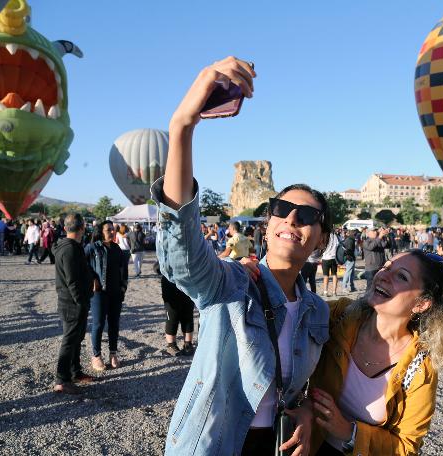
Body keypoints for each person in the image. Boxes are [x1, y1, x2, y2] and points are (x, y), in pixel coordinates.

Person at [155, 56, 333, 455]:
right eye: (279, 209)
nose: (290, 218)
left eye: (306, 215)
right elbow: (180, 252)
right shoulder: (232, 284)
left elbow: (296, 387)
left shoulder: (318, 312)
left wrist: (303, 410)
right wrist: (182, 126)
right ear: (266, 225)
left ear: (321, 239)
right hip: (212, 443)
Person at [308, 250, 443, 454]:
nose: (383, 275)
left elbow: (406, 445)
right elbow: (289, 310)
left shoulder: (419, 369)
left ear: (421, 304)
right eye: (386, 267)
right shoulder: (339, 316)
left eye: (401, 276)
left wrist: (349, 432)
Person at [51, 214, 95, 394]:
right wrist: (81, 302)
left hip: (74, 302)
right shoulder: (69, 249)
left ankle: (75, 372)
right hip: (72, 303)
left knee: (77, 339)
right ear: (82, 228)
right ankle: (62, 380)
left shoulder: (70, 246)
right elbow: (72, 281)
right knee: (69, 340)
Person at [86, 221, 128, 371]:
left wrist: (123, 288)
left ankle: (113, 354)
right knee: (98, 324)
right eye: (108, 230)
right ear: (101, 231)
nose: (112, 232)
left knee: (114, 324)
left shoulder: (118, 249)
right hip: (99, 293)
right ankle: (96, 356)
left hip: (116, 292)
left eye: (113, 230)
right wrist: (93, 279)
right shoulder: (93, 247)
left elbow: (124, 271)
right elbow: (82, 264)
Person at [154, 262, 197, 356]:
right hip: (184, 284)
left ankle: (180, 345)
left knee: (179, 316)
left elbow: (157, 268)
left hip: (176, 285)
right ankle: (184, 345)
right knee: (183, 315)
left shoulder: (167, 251)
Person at [321, 231, 340, 297]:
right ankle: (334, 292)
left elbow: (321, 246)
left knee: (326, 276)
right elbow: (338, 245)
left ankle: (325, 292)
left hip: (325, 258)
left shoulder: (324, 235)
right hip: (334, 258)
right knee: (334, 275)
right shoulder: (336, 236)